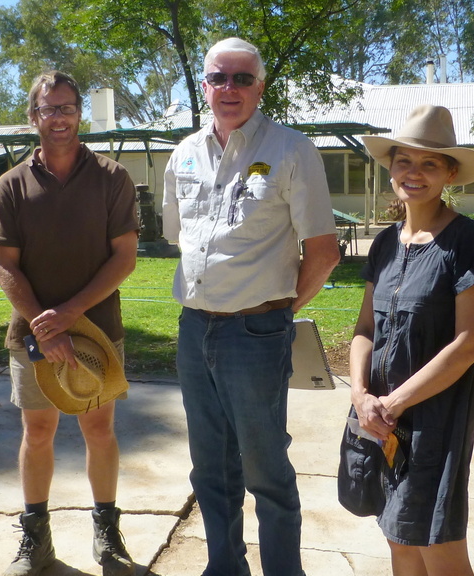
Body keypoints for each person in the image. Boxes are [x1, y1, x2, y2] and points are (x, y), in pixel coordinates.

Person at [161, 37, 340, 576]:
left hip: (256, 333)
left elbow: (324, 252)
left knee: (265, 469)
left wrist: (278, 309)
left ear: (260, 87)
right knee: (210, 467)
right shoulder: (183, 153)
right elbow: (180, 236)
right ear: (205, 86)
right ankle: (225, 567)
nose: (230, 88)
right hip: (194, 330)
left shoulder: (291, 150)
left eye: (243, 79)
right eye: (220, 77)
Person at [0, 70, 139, 576]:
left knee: (99, 427)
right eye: (49, 109)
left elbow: (124, 258)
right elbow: (5, 264)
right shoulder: (11, 183)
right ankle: (36, 539)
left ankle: (107, 531)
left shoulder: (112, 178)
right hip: (31, 335)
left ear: (79, 114)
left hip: (98, 329)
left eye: (68, 107)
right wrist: (44, 327)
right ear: (34, 118)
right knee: (38, 429)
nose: (59, 118)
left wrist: (71, 314)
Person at [350, 104, 474, 575]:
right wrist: (360, 396)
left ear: (450, 173)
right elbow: (364, 329)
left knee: (438, 545)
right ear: (391, 167)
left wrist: (393, 403)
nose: (414, 173)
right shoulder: (385, 243)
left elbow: (470, 343)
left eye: (429, 163)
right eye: (404, 161)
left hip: (435, 417)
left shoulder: (469, 241)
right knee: (397, 537)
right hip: (378, 416)